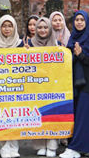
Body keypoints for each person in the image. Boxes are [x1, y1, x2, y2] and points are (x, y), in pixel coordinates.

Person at [60, 10, 89, 158]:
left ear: (87, 22)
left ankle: (76, 148)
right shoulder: (73, 38)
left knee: (87, 116)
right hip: (76, 83)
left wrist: (81, 56)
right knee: (81, 115)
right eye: (77, 20)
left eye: (82, 20)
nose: (79, 22)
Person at [0, 15, 25, 158]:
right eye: (4, 26)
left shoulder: (21, 44)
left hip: (16, 86)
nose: (7, 29)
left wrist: (29, 53)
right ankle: (3, 146)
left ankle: (14, 146)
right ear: (0, 28)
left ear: (14, 27)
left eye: (10, 26)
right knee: (1, 116)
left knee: (15, 116)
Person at [29, 17, 59, 157]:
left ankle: (52, 145)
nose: (42, 30)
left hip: (53, 86)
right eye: (39, 27)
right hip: (35, 86)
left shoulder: (57, 44)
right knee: (38, 114)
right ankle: (40, 145)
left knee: (52, 114)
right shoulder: (30, 44)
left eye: (45, 27)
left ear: (50, 29)